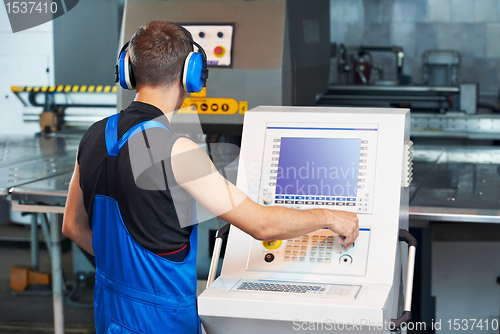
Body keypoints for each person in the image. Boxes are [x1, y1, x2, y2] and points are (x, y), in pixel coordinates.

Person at [62, 21, 359, 334]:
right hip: (161, 319)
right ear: (191, 74)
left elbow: (72, 226)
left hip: (109, 311)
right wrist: (328, 216)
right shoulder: (174, 149)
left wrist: (125, 268)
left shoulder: (95, 135)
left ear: (128, 70)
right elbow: (262, 225)